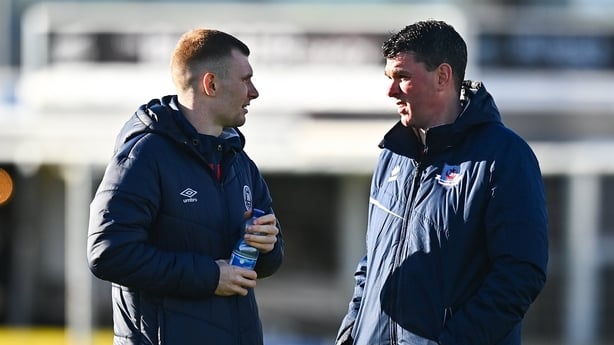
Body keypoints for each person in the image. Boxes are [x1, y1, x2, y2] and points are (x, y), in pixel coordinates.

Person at [336, 20, 548, 345]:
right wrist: (350, 335)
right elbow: (371, 265)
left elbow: (519, 275)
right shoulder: (392, 156)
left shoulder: (504, 157)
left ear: (442, 76)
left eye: (403, 78)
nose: (390, 91)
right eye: (389, 78)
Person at [87, 28, 284, 345]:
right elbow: (108, 252)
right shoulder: (145, 155)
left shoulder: (239, 161)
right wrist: (210, 277)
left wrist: (268, 244)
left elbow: (267, 262)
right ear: (211, 84)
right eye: (245, 79)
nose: (254, 92)